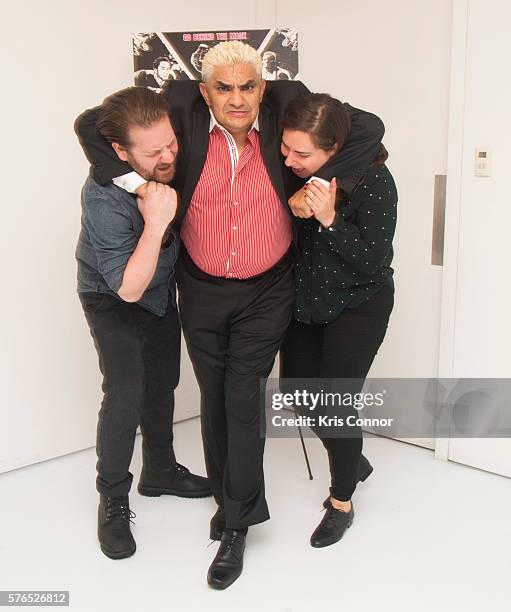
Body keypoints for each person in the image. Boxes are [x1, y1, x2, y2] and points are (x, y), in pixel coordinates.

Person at [75, 41, 384, 588]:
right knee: (215, 398)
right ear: (203, 91)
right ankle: (225, 496)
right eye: (224, 87)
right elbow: (90, 124)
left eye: (248, 86)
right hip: (201, 288)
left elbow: (370, 127)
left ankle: (238, 524)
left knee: (243, 398)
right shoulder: (177, 110)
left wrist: (317, 181)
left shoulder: (288, 103)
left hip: (268, 289)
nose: (237, 98)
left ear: (263, 87)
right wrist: (138, 183)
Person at [75, 87, 210, 561]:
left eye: (170, 143)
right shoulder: (103, 198)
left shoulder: (163, 140)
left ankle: (161, 471)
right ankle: (112, 497)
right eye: (154, 153)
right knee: (126, 393)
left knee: (163, 383)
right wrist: (154, 221)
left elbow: (88, 118)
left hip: (157, 290)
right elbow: (127, 288)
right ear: (120, 152)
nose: (169, 155)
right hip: (112, 295)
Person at [279, 93, 397, 548]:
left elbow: (372, 264)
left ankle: (342, 500)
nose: (289, 160)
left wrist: (329, 219)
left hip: (359, 304)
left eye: (302, 154)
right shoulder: (299, 171)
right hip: (309, 301)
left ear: (335, 152)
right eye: (286, 149)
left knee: (335, 402)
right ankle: (353, 458)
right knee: (297, 394)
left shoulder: (375, 181)